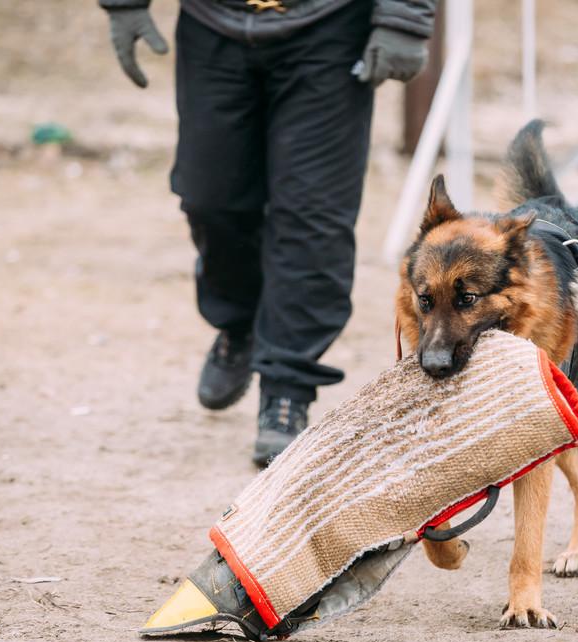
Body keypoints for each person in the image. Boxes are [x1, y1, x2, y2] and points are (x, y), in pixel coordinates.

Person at [99, 0, 436, 467]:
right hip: (212, 21)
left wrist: (404, 18)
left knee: (313, 213)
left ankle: (287, 385)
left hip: (329, 25)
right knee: (210, 198)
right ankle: (240, 324)